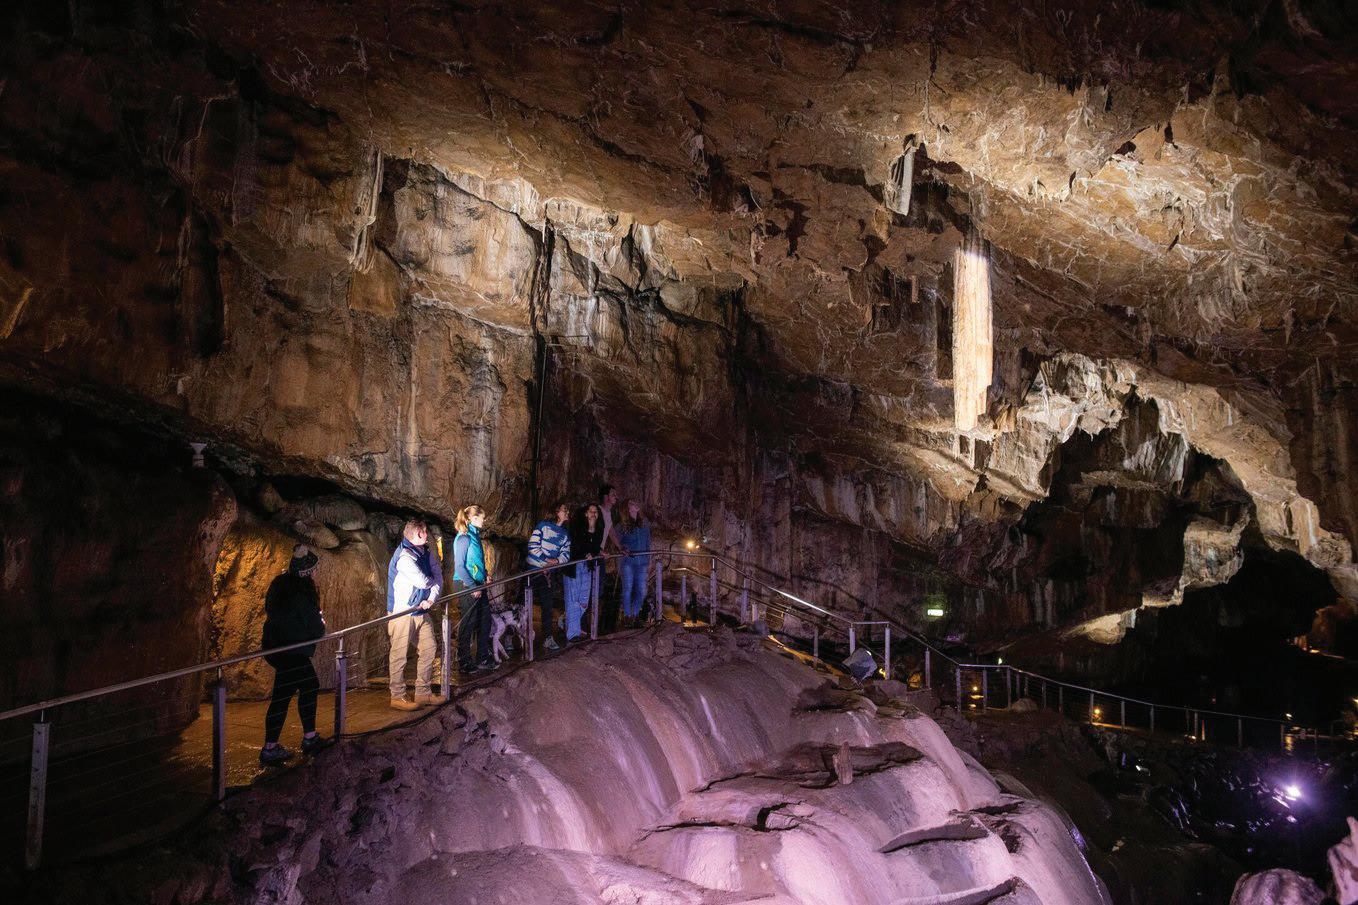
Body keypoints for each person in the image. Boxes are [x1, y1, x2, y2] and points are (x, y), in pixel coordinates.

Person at [259, 545, 327, 765]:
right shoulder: (303, 593)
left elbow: (272, 611)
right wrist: (320, 624)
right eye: (313, 569)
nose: (316, 572)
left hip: (276, 648)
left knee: (286, 693)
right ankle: (307, 739)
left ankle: (273, 746)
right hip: (293, 651)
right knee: (308, 687)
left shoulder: (280, 584)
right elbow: (316, 628)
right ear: (306, 572)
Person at [386, 519, 445, 711]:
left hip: (421, 609)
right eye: (424, 532)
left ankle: (423, 692)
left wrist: (431, 599)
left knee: (429, 648)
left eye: (426, 531)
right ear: (416, 535)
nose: (427, 535)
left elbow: (438, 577)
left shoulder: (425, 551)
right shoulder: (404, 556)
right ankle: (397, 696)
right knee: (399, 654)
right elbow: (422, 581)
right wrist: (432, 582)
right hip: (403, 612)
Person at [453, 504, 492, 673]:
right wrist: (471, 586)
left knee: (485, 620)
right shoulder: (464, 538)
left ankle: (482, 656)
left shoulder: (475, 536)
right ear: (473, 518)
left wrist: (485, 575)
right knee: (468, 623)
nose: (484, 521)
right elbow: (460, 567)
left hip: (478, 583)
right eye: (482, 518)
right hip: (466, 584)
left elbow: (476, 561)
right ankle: (464, 660)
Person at [527, 503, 571, 651]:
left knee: (547, 605)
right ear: (557, 512)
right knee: (523, 605)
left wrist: (556, 561)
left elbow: (566, 554)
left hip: (548, 574)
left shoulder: (565, 534)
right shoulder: (543, 526)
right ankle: (511, 634)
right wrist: (546, 561)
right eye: (565, 510)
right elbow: (533, 546)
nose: (567, 512)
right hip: (532, 571)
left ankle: (547, 637)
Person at [564, 503, 604, 642]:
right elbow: (575, 545)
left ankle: (566, 621)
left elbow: (595, 547)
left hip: (587, 567)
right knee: (573, 600)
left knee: (584, 601)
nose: (593, 513)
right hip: (574, 566)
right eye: (591, 511)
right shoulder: (577, 527)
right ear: (586, 513)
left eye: (596, 511)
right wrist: (585, 553)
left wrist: (596, 552)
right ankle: (572, 634)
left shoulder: (598, 530)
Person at [617, 500, 652, 626]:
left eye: (635, 502)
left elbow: (648, 541)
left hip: (642, 561)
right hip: (628, 562)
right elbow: (617, 542)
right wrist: (622, 548)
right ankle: (627, 615)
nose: (635, 504)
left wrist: (649, 558)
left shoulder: (645, 523)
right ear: (627, 508)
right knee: (628, 588)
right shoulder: (622, 525)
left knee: (641, 590)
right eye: (631, 503)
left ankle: (635, 613)